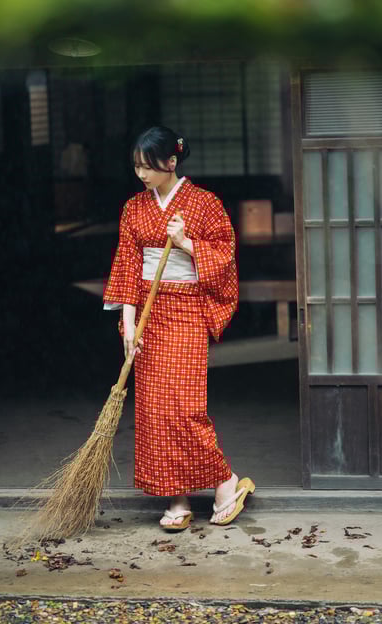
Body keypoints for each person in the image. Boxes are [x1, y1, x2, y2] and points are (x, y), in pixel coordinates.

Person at [103, 125, 254, 531]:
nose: (141, 175)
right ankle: (179, 497)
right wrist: (130, 326)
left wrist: (187, 243)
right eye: (136, 167)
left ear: (172, 162)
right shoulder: (134, 208)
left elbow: (224, 256)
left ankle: (225, 482)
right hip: (149, 315)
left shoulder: (204, 204)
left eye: (148, 167)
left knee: (186, 408)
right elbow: (127, 270)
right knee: (155, 411)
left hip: (186, 310)